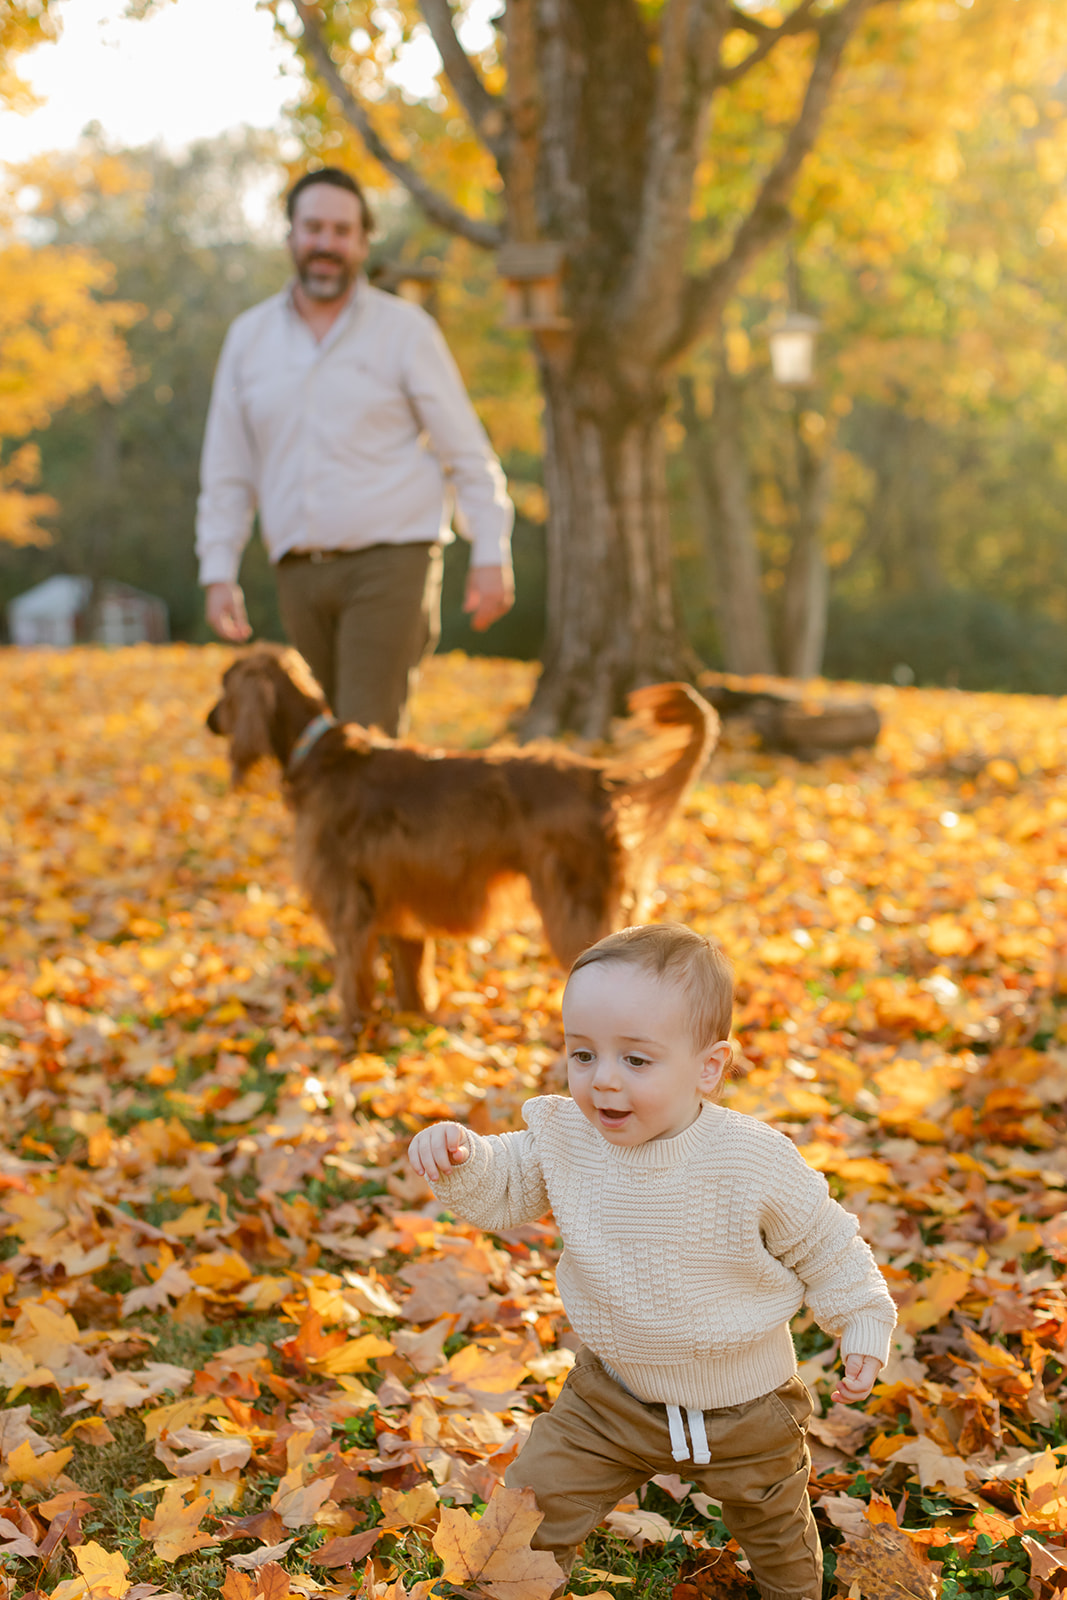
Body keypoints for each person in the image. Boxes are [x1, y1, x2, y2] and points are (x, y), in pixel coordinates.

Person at [408, 923, 897, 1600]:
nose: (602, 1081)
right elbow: (505, 1186)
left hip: (749, 1407)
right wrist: (463, 1157)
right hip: (610, 1398)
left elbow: (825, 1242)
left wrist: (863, 1320)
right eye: (582, 1054)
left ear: (708, 1067)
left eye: (635, 1061)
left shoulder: (750, 1159)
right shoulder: (566, 1134)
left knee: (776, 1531)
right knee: (531, 1506)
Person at [196, 166, 514, 736]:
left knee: (365, 736)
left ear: (364, 242)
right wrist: (218, 568)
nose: (326, 244)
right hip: (297, 570)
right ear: (291, 235)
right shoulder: (249, 339)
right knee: (319, 745)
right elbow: (228, 467)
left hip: (391, 562)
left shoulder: (405, 332)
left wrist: (491, 550)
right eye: (313, 227)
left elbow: (465, 449)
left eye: (342, 231)